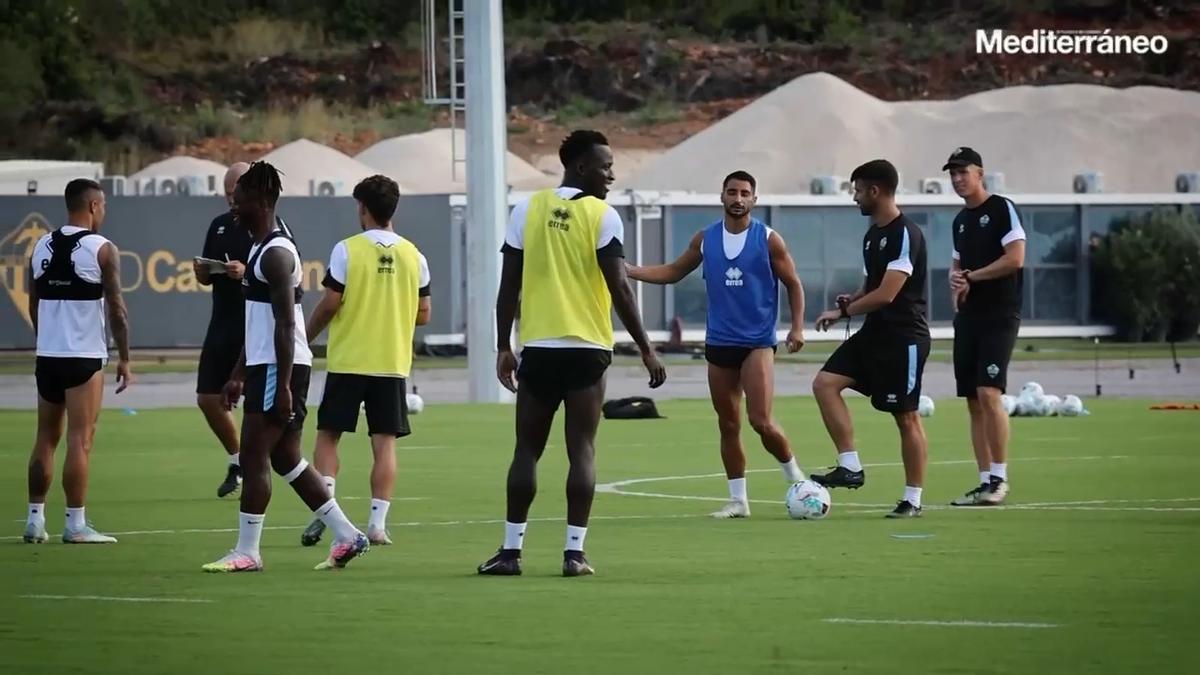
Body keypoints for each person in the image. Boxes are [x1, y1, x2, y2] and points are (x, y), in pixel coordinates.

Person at [477, 130, 666, 577]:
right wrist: (645, 348)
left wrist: (504, 346)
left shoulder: (526, 209)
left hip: (539, 348)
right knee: (581, 449)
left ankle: (509, 554)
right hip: (588, 349)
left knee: (527, 450)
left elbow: (508, 289)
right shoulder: (604, 215)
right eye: (605, 166)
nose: (612, 175)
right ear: (580, 167)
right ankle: (574, 556)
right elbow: (620, 286)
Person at [202, 161, 368, 573]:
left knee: (254, 455)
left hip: (282, 368)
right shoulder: (259, 248)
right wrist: (239, 373)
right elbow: (256, 322)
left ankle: (248, 552)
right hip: (269, 366)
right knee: (286, 458)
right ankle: (348, 536)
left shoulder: (276, 253)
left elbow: (285, 324)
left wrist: (282, 388)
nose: (233, 205)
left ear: (259, 201)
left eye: (239, 199)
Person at [626, 170, 807, 518]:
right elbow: (673, 271)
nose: (738, 199)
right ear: (721, 197)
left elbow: (794, 284)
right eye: (732, 192)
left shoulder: (769, 239)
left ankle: (796, 479)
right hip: (719, 342)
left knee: (761, 421)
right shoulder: (706, 239)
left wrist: (797, 328)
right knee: (728, 424)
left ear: (754, 199)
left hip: (757, 343)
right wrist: (630, 270)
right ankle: (739, 501)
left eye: (744, 193)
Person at [300, 175, 432, 547]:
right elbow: (424, 314)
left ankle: (327, 513)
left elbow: (330, 304)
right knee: (384, 444)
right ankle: (377, 525)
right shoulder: (414, 255)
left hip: (349, 359)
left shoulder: (347, 250)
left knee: (328, 436)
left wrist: (304, 337)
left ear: (362, 208)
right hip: (390, 362)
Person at [809, 159, 931, 518]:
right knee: (825, 384)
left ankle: (913, 499)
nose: (855, 198)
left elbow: (888, 294)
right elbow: (870, 289)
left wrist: (842, 313)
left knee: (905, 418)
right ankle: (850, 467)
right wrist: (851, 298)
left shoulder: (906, 234)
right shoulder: (872, 235)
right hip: (873, 334)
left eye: (858, 191)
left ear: (875, 191)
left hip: (903, 339)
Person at [23, 178, 132, 544]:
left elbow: (33, 302)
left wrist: (45, 338)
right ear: (93, 206)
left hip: (48, 355)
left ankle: (34, 519)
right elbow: (117, 309)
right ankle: (75, 524)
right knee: (80, 440)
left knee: (44, 438)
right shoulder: (102, 248)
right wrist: (125, 358)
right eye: (102, 206)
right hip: (83, 357)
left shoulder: (40, 245)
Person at [944, 147, 1026, 506]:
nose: (958, 179)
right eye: (953, 174)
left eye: (964, 172)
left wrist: (972, 278)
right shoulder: (960, 221)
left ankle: (1000, 479)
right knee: (973, 401)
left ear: (981, 173)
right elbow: (956, 265)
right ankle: (983, 481)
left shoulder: (1001, 208)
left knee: (990, 393)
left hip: (999, 315)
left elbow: (1016, 258)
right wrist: (956, 287)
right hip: (969, 319)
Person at [194, 162, 251, 498]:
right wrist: (203, 272)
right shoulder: (218, 226)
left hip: (254, 323)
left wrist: (244, 271)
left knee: (260, 405)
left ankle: (257, 465)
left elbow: (286, 276)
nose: (231, 199)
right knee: (206, 398)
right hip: (223, 321)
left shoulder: (267, 226)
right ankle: (239, 458)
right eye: (227, 193)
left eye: (236, 193)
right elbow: (205, 275)